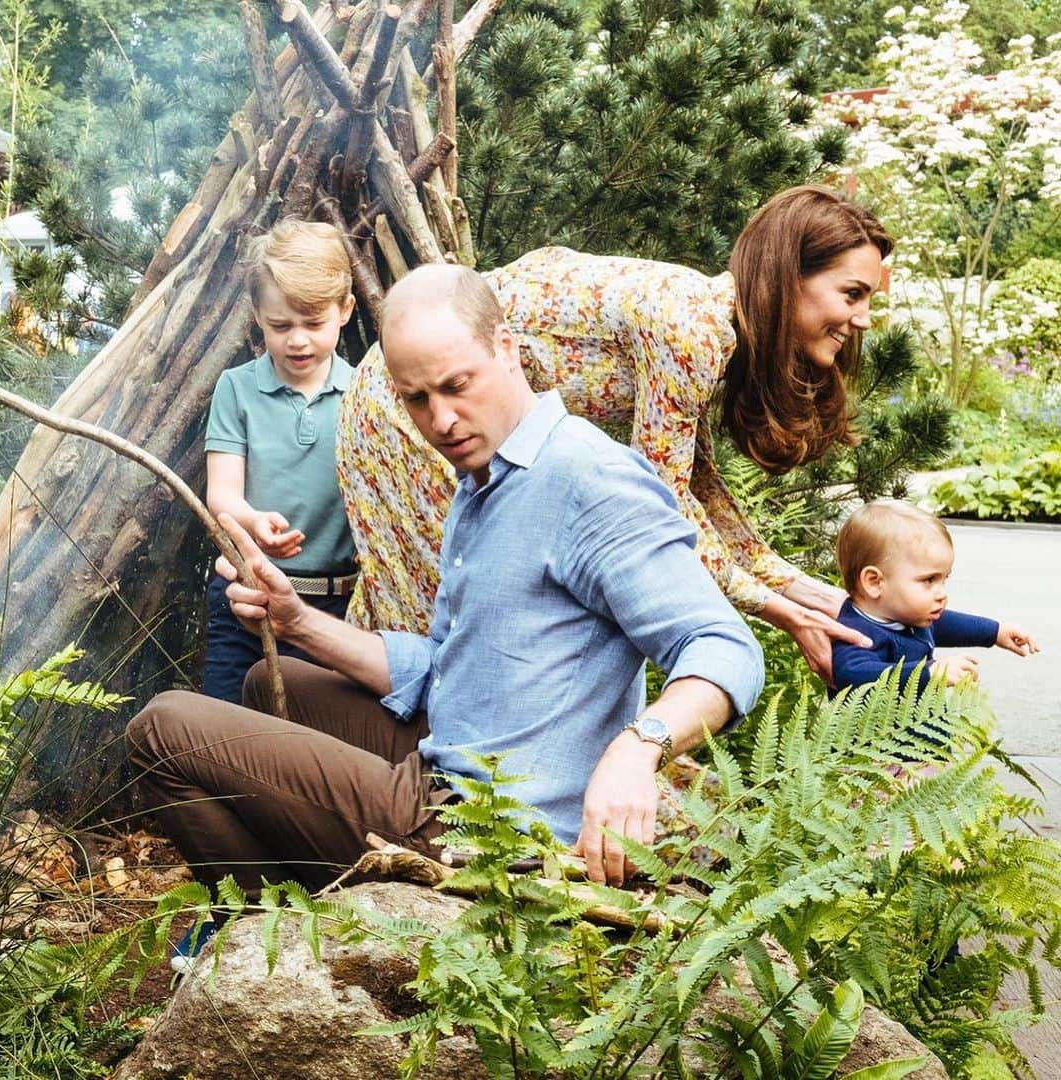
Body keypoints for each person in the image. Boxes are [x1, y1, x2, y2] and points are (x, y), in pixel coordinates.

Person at [125, 265, 764, 966]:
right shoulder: (485, 480)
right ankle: (307, 912)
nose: (442, 420)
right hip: (459, 754)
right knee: (269, 687)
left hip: (490, 834)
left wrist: (639, 747)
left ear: (509, 348)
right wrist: (296, 620)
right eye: (417, 399)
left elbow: (724, 647)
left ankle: (278, 930)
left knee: (162, 729)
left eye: (458, 386)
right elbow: (454, 669)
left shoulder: (589, 480)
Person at [337, 185, 892, 685]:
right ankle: (429, 782)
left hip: (426, 400)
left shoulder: (713, 326)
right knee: (447, 613)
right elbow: (664, 508)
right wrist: (776, 609)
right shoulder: (692, 328)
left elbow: (697, 486)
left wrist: (800, 589)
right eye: (852, 293)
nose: (863, 318)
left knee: (426, 603)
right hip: (402, 401)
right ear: (790, 277)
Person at [201, 219, 360, 703]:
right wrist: (253, 521)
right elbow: (221, 493)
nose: (298, 341)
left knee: (313, 747)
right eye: (281, 325)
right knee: (227, 734)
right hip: (246, 595)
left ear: (345, 310)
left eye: (314, 324)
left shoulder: (363, 394)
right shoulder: (237, 389)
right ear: (257, 316)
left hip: (335, 607)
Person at [831, 500, 1038, 697]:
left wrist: (996, 631)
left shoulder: (909, 615)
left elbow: (944, 624)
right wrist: (929, 673)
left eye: (944, 579)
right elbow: (852, 675)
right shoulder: (856, 632)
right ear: (874, 582)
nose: (942, 593)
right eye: (929, 580)